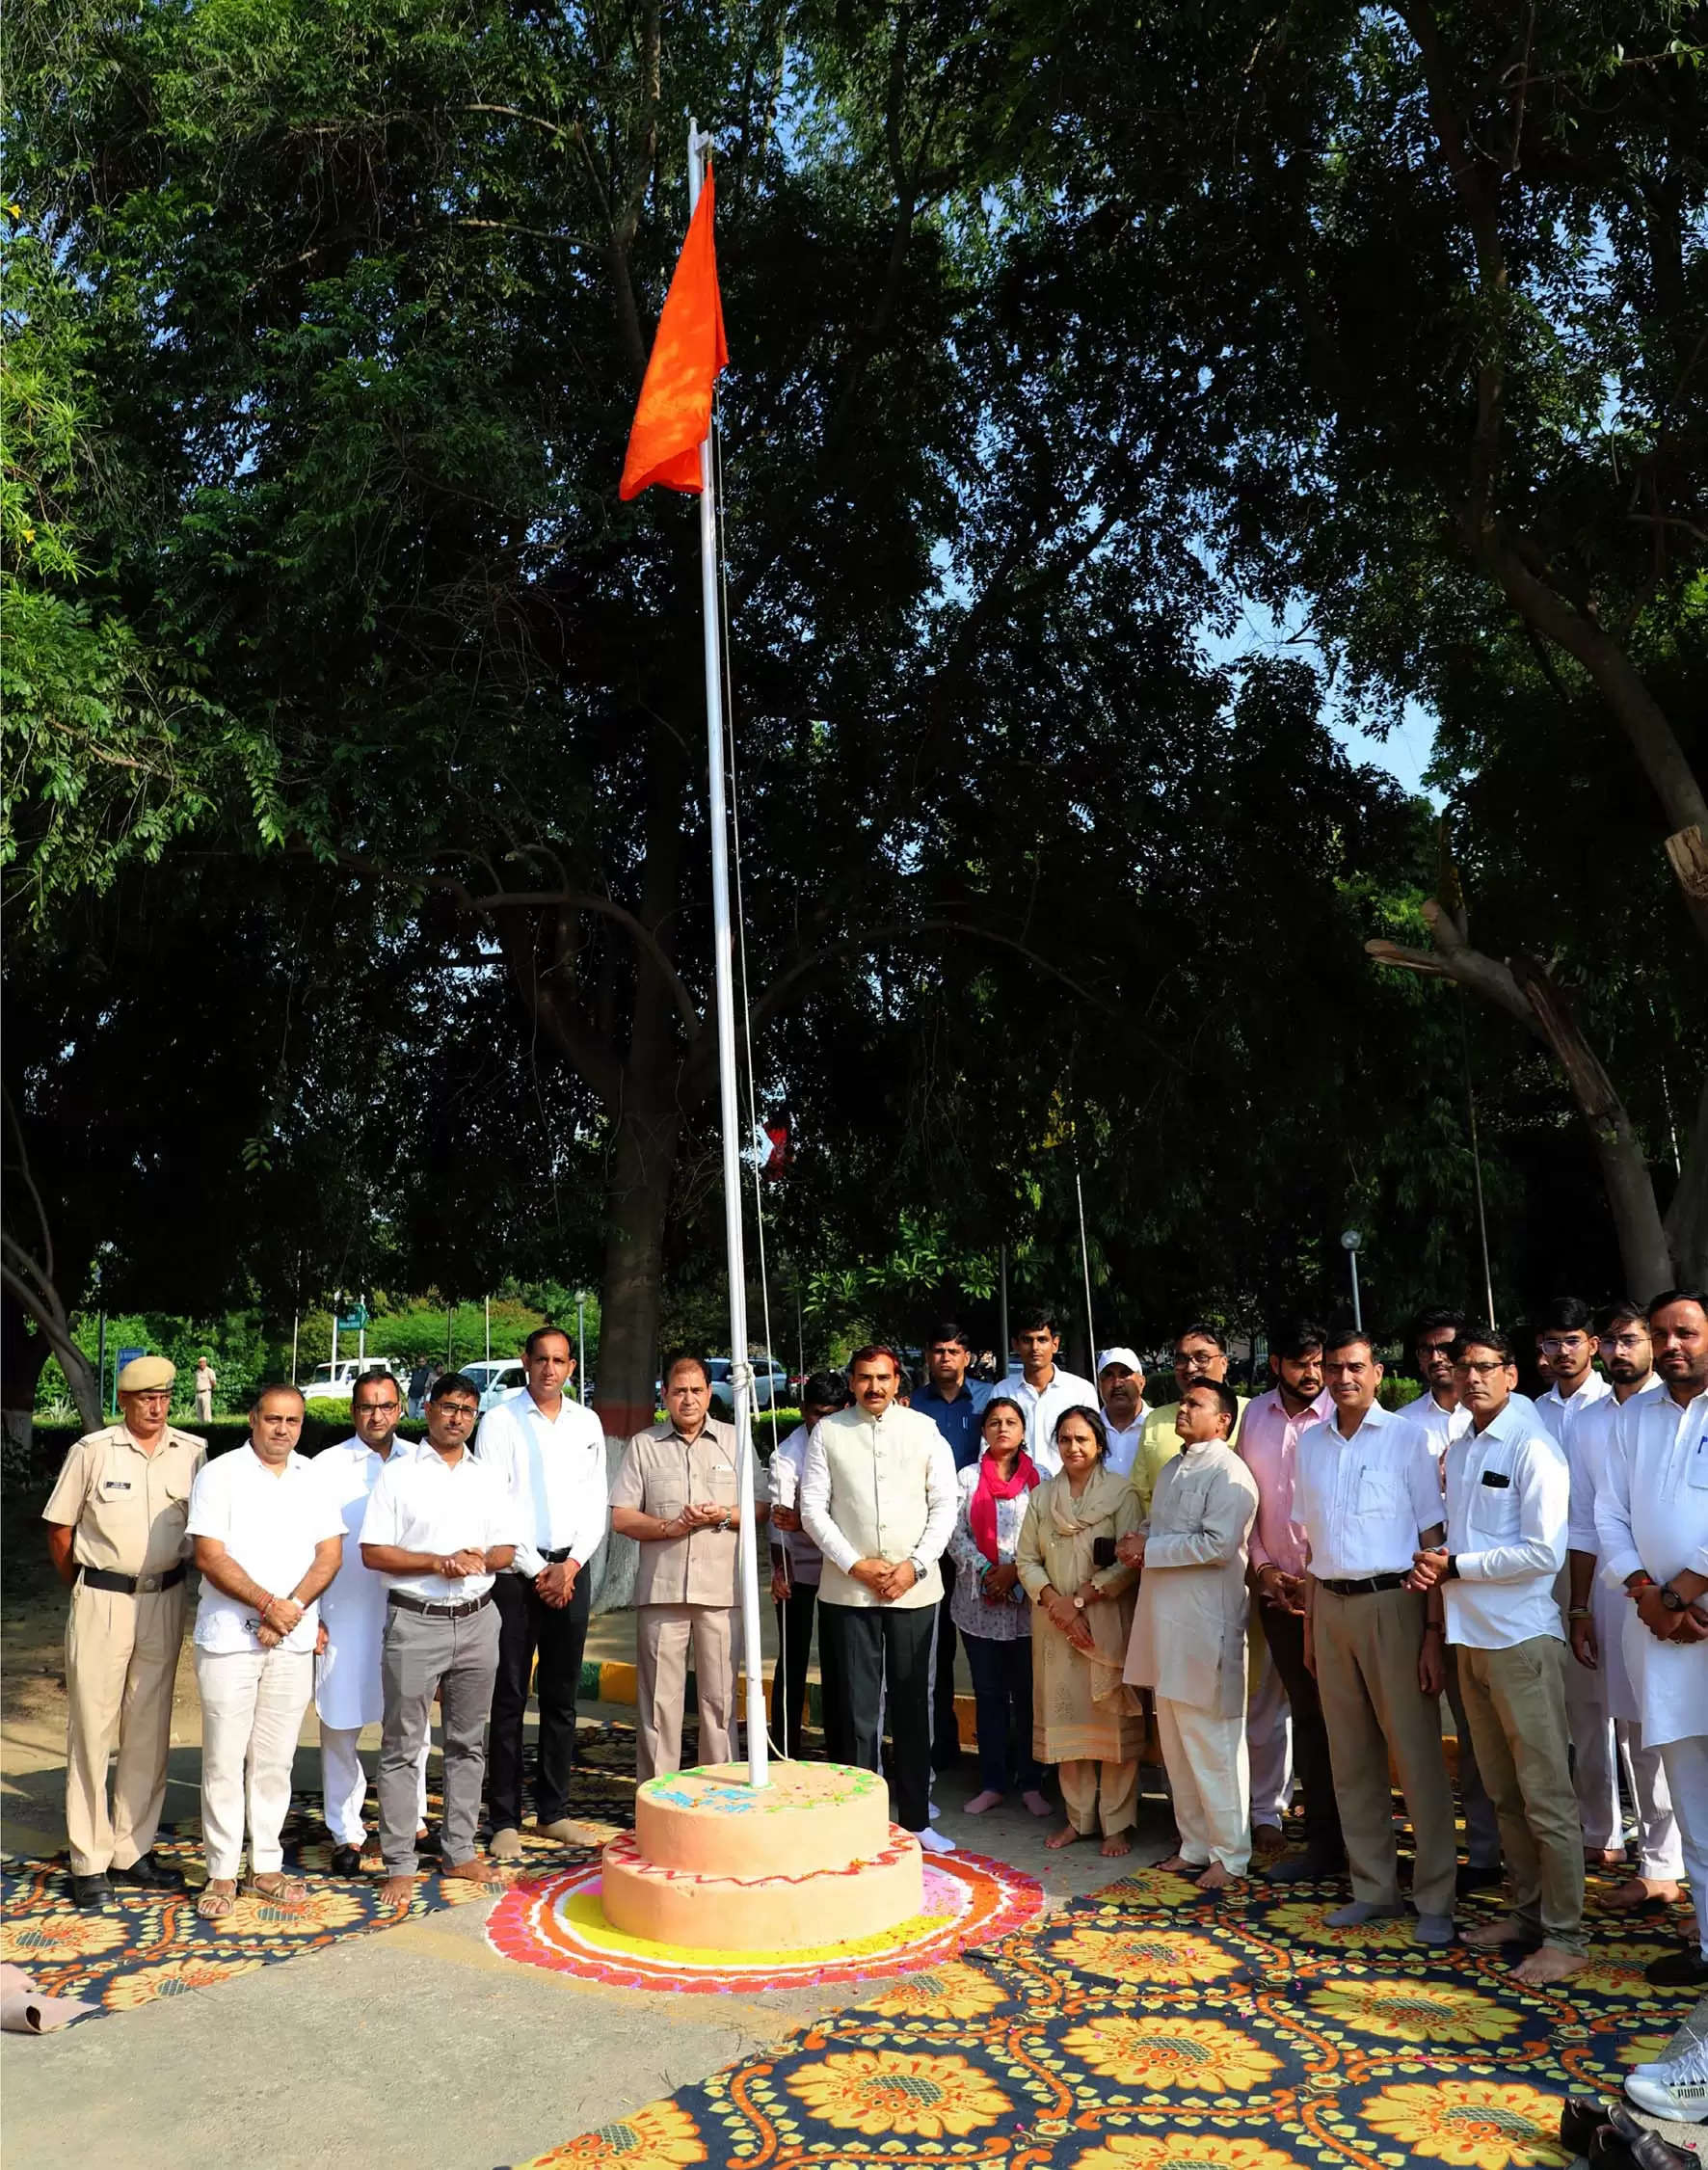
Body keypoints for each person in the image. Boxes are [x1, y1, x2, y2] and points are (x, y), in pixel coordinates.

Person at [1409, 1325, 1584, 1986]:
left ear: (1513, 1374)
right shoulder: (1462, 1443)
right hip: (1470, 1638)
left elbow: (1545, 1553)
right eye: (1463, 1368)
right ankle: (1528, 1913)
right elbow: (1462, 1538)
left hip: (1520, 1639)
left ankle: (1567, 1934)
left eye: (1486, 1366)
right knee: (1502, 1792)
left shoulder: (1534, 1445)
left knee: (1546, 1795)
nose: (1472, 1377)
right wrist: (1438, 1568)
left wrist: (1457, 1562)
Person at [1295, 1329, 1457, 1945]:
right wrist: (1312, 1624)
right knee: (1351, 1756)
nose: (1343, 1378)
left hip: (1397, 1603)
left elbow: (1434, 1539)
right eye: (1333, 1368)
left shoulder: (1408, 1440)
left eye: (1354, 1367)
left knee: (1416, 1758)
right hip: (1330, 1606)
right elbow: (1311, 1546)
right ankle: (1374, 1889)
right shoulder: (1310, 1444)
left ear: (1379, 1372)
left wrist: (1432, 1632)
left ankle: (1436, 1898)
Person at [42, 1355, 206, 1910]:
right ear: (125, 1401)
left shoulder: (192, 1454)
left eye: (164, 1397)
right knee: (92, 1727)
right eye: (145, 1399)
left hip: (164, 1598)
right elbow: (60, 1532)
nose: (156, 1407)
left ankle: (132, 1850)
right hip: (102, 1600)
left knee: (148, 1726)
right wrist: (91, 1588)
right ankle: (88, 1859)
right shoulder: (91, 1452)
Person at [188, 1383, 345, 1919]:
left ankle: (268, 1865)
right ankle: (222, 1872)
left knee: (276, 1760)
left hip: (293, 1636)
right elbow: (209, 1555)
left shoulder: (313, 1479)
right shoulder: (220, 1474)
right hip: (231, 1638)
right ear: (253, 1419)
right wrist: (264, 1604)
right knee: (224, 1759)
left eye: (293, 1421)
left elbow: (330, 1554)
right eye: (273, 1419)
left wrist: (290, 1609)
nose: (282, 1429)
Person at [360, 1371, 519, 1901]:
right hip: (416, 1619)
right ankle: (400, 1859)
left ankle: (460, 1851)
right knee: (404, 1745)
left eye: (467, 1411)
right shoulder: (399, 1475)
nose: (457, 1418)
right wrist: (437, 1562)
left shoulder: (488, 1476)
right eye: (449, 1407)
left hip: (478, 1618)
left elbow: (506, 1550)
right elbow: (374, 1552)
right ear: (428, 1410)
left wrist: (478, 1559)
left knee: (467, 1743)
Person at [800, 1345, 958, 1853]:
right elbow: (812, 1510)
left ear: (897, 1380)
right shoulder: (829, 1431)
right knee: (857, 1711)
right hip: (850, 1591)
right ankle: (859, 1820)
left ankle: (916, 1819)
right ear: (851, 1381)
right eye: (864, 1378)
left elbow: (944, 1503)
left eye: (883, 1378)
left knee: (914, 1706)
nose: (874, 1387)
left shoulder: (923, 1430)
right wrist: (855, 1564)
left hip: (914, 1588)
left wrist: (914, 1565)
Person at [1594, 1289, 1708, 1990]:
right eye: (1660, 1334)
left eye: (1687, 1332)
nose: (1672, 1345)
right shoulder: (1633, 1417)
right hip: (1661, 1635)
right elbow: (1609, 1513)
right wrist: (1645, 1594)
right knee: (1691, 1796)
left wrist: (1681, 1593)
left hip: (1695, 1616)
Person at [475, 1326, 608, 1859]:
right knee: (509, 1697)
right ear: (525, 1362)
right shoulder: (501, 1421)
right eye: (541, 1360)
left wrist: (571, 1565)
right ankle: (503, 1817)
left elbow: (595, 1502)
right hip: (517, 1578)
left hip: (572, 1572)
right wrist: (537, 1571)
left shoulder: (587, 1422)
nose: (550, 1369)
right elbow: (496, 1504)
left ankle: (553, 1811)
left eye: (560, 1360)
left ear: (571, 1367)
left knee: (561, 1698)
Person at [1567, 1301, 1681, 1912]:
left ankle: (1676, 1863)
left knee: (1679, 1732)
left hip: (1688, 1591)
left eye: (1629, 1339)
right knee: (1637, 1729)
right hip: (1622, 1594)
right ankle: (1659, 1864)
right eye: (1609, 1340)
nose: (1619, 1351)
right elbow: (1590, 1521)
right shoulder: (1589, 1422)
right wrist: (1583, 1609)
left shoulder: (1684, 1405)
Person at [1124, 1382, 1260, 1887]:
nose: (1182, 1409)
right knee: (1178, 1745)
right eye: (1182, 1403)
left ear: (1223, 1420)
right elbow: (1157, 1524)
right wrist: (1137, 1540)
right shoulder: (1173, 1468)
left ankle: (1231, 1856)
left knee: (1214, 1745)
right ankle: (1195, 1845)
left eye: (1195, 1405)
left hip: (1207, 1625)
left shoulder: (1230, 1472)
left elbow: (1218, 1545)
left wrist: (1150, 1547)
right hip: (1166, 1622)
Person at [610, 1354, 762, 1784]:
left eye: (697, 1390)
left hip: (720, 1592)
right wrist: (669, 1526)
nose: (688, 1399)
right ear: (665, 1395)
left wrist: (724, 1514)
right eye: (679, 1391)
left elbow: (762, 1507)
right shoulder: (644, 1445)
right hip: (662, 1592)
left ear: (710, 1394)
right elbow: (621, 1516)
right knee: (659, 1704)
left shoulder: (735, 1441)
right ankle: (658, 1799)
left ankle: (721, 1797)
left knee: (719, 1703)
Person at [1237, 1317, 1344, 1884]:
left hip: (1336, 1592)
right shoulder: (1253, 1416)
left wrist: (1317, 1579)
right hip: (1277, 1592)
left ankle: (1355, 1840)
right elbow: (1248, 1504)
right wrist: (1265, 1569)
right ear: (1276, 1363)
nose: (1312, 1373)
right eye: (1300, 1362)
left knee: (1346, 1716)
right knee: (1302, 1713)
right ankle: (1318, 1838)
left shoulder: (1341, 1413)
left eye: (1318, 1360)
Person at [1400, 1305, 1502, 1895]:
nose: (1441, 1361)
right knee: (1439, 1730)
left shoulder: (1506, 1426)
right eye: (1430, 1351)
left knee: (1489, 1735)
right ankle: (1453, 1849)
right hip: (1422, 1594)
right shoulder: (1406, 1426)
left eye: (1452, 1351)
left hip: (1489, 1596)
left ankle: (1496, 1854)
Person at [311, 1367, 429, 1875]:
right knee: (341, 1722)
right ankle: (346, 1829)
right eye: (366, 1407)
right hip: (344, 1609)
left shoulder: (421, 1462)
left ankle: (412, 1819)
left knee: (412, 1722)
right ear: (353, 1411)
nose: (376, 1415)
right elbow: (307, 1546)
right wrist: (310, 1617)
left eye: (386, 1406)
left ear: (400, 1409)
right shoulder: (324, 1468)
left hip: (409, 1609)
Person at [1018, 1406, 1144, 1856]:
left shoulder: (1121, 1494)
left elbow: (1130, 1561)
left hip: (1105, 1620)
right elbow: (1025, 1559)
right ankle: (1078, 1819)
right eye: (1066, 1440)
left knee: (1112, 1725)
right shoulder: (1043, 1496)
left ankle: (1116, 1823)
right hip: (1054, 1627)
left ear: (1099, 1444)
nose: (1074, 1448)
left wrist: (1081, 1601)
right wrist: (1054, 1601)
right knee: (1067, 1721)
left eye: (1083, 1440)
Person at [1531, 1296, 1622, 1868]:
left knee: (1629, 1708)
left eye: (1573, 1341)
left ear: (1593, 1345)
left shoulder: (1615, 1407)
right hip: (1547, 1565)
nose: (1562, 1353)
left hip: (1612, 1565)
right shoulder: (1532, 1412)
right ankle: (1598, 1831)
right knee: (1578, 1706)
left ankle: (1651, 1848)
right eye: (1551, 1342)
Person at [946, 1394, 1050, 1815]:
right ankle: (992, 1781)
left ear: (1023, 1431)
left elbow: (1049, 1534)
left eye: (1011, 1421)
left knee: (1027, 1695)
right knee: (987, 1694)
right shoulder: (967, 1478)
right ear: (984, 1431)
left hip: (1028, 1604)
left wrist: (1017, 1573)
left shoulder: (1040, 1477)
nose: (1002, 1428)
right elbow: (953, 1534)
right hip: (979, 1603)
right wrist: (990, 1572)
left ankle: (1031, 1781)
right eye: (994, 1422)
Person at [913, 1323, 991, 1771]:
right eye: (938, 1350)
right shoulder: (913, 1405)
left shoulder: (985, 1401)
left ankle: (998, 1753)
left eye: (954, 1350)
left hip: (979, 1537)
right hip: (928, 1540)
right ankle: (941, 1746)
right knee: (934, 1647)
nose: (945, 1357)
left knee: (988, 1648)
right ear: (928, 1356)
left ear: (966, 1356)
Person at [767, 1370, 851, 1756]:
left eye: (833, 1412)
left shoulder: (851, 1443)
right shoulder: (786, 1454)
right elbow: (779, 1522)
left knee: (839, 1660)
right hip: (798, 1565)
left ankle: (841, 1750)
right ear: (803, 1411)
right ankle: (785, 1748)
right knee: (794, 1657)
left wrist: (803, 1520)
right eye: (818, 1413)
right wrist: (780, 1570)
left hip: (843, 1566)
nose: (824, 1421)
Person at [1131, 1321, 1247, 1516]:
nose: (1190, 1367)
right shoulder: (1155, 1421)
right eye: (1182, 1359)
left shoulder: (1252, 1413)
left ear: (1224, 1364)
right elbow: (1140, 1492)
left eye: (1201, 1357)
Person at [1006, 1309, 1098, 1476]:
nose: (1035, 1348)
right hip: (1015, 1494)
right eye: (1027, 1340)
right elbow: (990, 1449)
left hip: (1070, 1491)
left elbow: (1094, 1447)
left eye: (1042, 1340)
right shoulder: (1003, 1392)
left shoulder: (1081, 1391)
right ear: (1015, 1345)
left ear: (1055, 1344)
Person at [1095, 1349, 1148, 1479]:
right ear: (1099, 1385)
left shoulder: (1158, 1426)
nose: (1117, 1383)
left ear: (1142, 1382)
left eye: (1125, 1374)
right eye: (1108, 1375)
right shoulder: (1089, 1430)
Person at [193, 1356, 217, 1424]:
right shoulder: (197, 1372)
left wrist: (210, 1389)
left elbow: (214, 1382)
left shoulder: (210, 1371)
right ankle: (200, 1424)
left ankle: (208, 1424)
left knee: (206, 1411)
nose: (201, 1364)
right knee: (198, 1410)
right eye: (200, 1363)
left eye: (202, 1362)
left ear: (205, 1363)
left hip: (206, 1392)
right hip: (198, 1393)